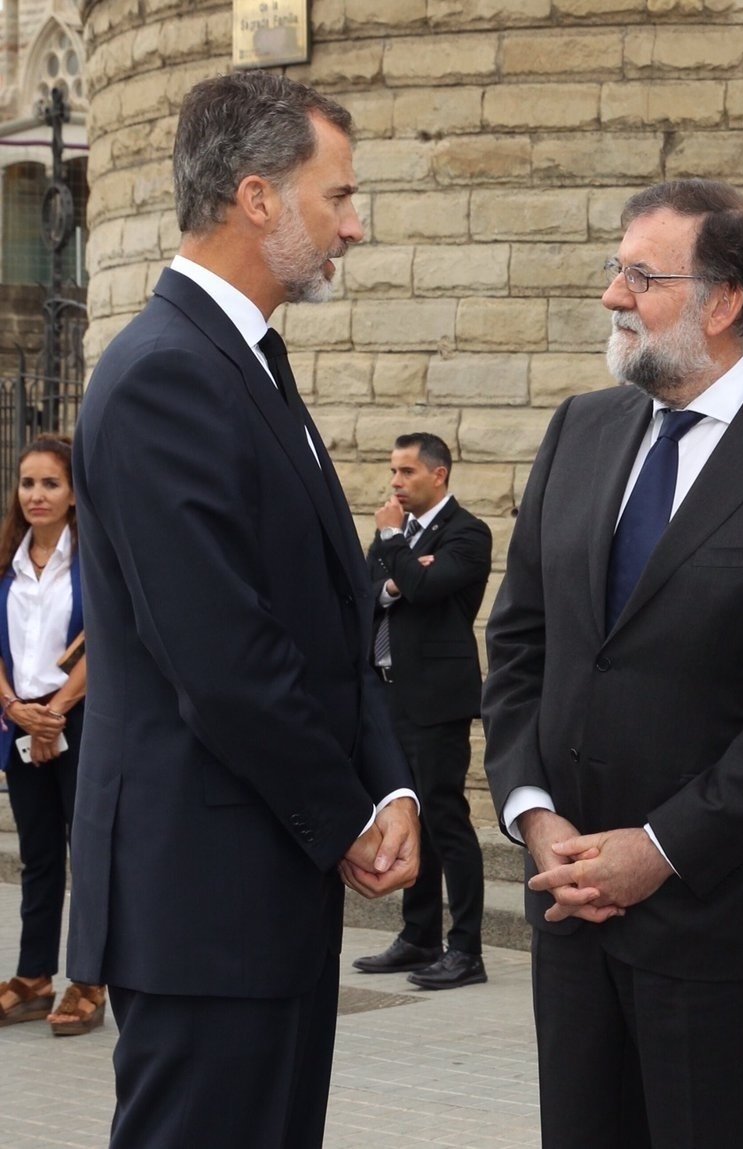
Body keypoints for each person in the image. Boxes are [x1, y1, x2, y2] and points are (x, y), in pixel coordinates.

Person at [482, 178, 743, 1149]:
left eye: (640, 276)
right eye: (615, 271)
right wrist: (535, 817)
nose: (614, 297)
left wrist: (658, 850)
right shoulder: (581, 429)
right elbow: (522, 642)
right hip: (568, 905)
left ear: (724, 298)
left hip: (714, 924)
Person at [67, 72, 420, 1149]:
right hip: (203, 905)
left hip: (264, 889)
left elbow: (330, 610)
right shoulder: (163, 376)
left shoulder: (248, 362)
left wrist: (391, 780)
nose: (354, 227)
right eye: (338, 197)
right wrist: (351, 815)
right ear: (257, 198)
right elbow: (224, 659)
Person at [354, 432, 492, 989]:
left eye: (406, 472)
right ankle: (418, 938)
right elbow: (365, 594)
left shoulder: (468, 533)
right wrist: (396, 576)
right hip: (387, 694)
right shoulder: (398, 537)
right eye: (393, 471)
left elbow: (429, 589)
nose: (395, 483)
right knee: (405, 816)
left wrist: (394, 552)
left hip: (435, 699)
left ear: (439, 475)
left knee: (445, 818)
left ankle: (466, 950)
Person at [0, 435, 102, 1036]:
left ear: (72, 494)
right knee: (37, 857)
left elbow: (107, 641)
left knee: (88, 855)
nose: (36, 495)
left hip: (81, 720)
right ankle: (33, 978)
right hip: (19, 719)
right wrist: (17, 708)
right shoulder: (7, 559)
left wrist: (55, 710)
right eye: (28, 483)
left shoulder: (94, 558)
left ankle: (88, 981)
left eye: (51, 484)